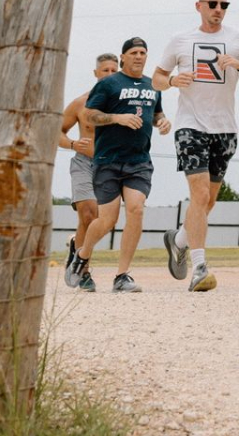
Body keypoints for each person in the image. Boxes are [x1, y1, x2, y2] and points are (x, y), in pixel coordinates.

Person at [152, 0, 239, 292]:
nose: (218, 9)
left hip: (225, 129)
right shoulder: (180, 39)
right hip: (190, 126)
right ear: (198, 6)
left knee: (209, 201)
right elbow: (156, 79)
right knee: (199, 196)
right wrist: (172, 80)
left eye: (224, 4)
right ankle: (199, 267)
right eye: (213, 4)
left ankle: (178, 240)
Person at [65, 38, 171, 292]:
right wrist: (117, 118)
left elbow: (156, 112)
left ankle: (122, 276)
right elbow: (90, 115)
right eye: (133, 52)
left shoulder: (152, 85)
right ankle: (82, 255)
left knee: (136, 209)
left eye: (143, 52)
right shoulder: (109, 84)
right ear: (123, 57)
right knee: (106, 220)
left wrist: (162, 121)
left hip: (139, 161)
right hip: (108, 161)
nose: (139, 56)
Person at [59, 52, 119, 289]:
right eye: (105, 70)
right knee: (88, 215)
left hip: (111, 165)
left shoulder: (123, 105)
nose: (110, 75)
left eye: (114, 70)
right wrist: (73, 144)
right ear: (96, 73)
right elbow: (57, 132)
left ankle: (78, 247)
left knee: (104, 221)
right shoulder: (80, 103)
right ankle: (83, 272)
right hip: (84, 164)